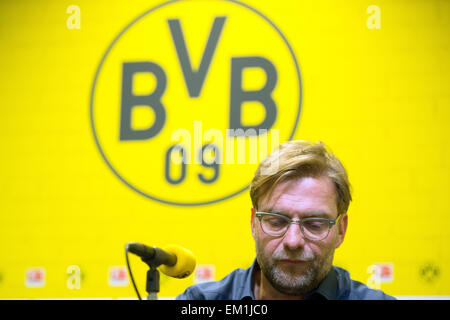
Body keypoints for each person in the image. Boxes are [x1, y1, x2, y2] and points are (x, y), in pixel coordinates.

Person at [177, 140, 395, 300]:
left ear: (340, 230)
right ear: (254, 223)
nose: (293, 241)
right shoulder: (200, 303)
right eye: (276, 221)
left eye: (315, 224)